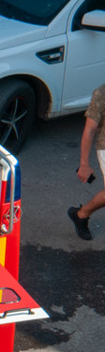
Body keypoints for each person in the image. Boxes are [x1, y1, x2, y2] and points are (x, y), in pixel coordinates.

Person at [68, 84, 105, 241]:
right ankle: (81, 214)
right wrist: (84, 164)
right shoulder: (102, 93)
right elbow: (89, 130)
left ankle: (81, 214)